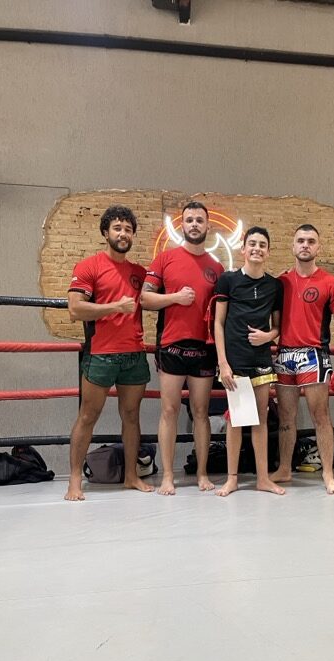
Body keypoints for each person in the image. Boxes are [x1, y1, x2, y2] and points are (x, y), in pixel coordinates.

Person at [65, 205, 153, 501]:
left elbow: (156, 298)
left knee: (131, 416)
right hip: (100, 354)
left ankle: (131, 476)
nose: (123, 234)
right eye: (117, 228)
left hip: (134, 355)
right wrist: (115, 306)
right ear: (106, 232)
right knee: (88, 416)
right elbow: (75, 309)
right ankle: (74, 480)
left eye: (128, 229)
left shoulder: (140, 273)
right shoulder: (89, 266)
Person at [140, 202, 224, 495]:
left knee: (201, 411)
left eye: (199, 220)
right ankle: (167, 476)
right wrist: (174, 298)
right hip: (171, 344)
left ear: (208, 226)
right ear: (182, 225)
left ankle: (202, 473)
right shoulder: (165, 259)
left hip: (204, 347)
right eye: (189, 220)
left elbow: (224, 311)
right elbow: (144, 299)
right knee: (169, 410)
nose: (194, 224)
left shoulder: (217, 267)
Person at [269, 224, 334, 494]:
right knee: (285, 417)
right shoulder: (280, 282)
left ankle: (328, 474)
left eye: (311, 241)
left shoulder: (330, 282)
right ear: (293, 246)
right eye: (301, 240)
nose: (305, 245)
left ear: (318, 247)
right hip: (284, 354)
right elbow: (271, 322)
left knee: (321, 416)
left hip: (314, 355)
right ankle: (284, 468)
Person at [214, 226, 285, 497]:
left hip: (261, 359)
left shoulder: (275, 286)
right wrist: (223, 363)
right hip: (235, 360)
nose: (257, 248)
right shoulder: (228, 280)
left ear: (268, 251)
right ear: (243, 249)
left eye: (262, 245)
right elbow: (218, 324)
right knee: (236, 420)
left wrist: (268, 336)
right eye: (252, 243)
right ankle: (232, 479)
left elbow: (277, 327)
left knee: (260, 419)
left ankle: (263, 478)